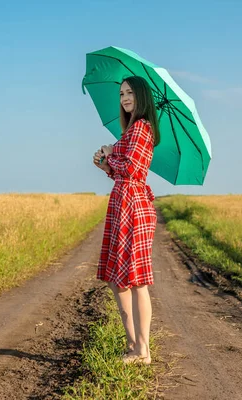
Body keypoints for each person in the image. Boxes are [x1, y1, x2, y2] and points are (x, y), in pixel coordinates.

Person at [92, 75, 161, 365]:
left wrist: (111, 154)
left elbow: (132, 169)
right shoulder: (130, 132)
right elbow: (121, 170)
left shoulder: (143, 128)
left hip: (133, 204)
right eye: (121, 94)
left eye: (130, 92)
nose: (124, 98)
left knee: (135, 280)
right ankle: (133, 345)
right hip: (123, 201)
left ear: (141, 96)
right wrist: (105, 163)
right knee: (118, 280)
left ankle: (142, 350)